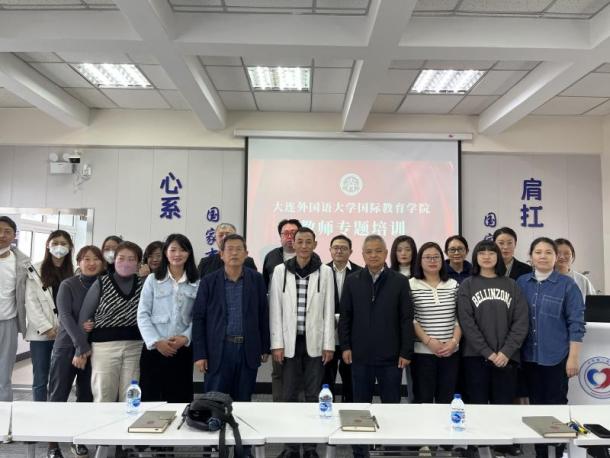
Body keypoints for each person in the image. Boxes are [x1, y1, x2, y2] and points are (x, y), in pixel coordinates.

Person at [339, 234, 414, 458]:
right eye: (369, 251)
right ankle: (360, 452)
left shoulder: (399, 281)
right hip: (359, 356)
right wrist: (345, 346)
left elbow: (406, 319)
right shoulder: (352, 280)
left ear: (385, 253)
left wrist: (406, 351)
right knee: (360, 408)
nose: (374, 255)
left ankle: (391, 450)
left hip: (391, 358)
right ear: (362, 255)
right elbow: (345, 317)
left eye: (378, 251)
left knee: (390, 407)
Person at [517, 237, 585, 458]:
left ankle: (556, 451)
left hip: (556, 357)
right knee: (536, 406)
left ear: (556, 257)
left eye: (548, 252)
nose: (543, 256)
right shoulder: (521, 282)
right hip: (528, 357)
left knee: (556, 405)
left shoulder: (567, 285)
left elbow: (576, 324)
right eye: (538, 252)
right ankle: (540, 453)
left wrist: (573, 358)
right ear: (530, 257)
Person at [269, 227, 334, 458]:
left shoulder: (325, 272)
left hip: (314, 341)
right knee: (288, 395)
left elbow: (329, 309)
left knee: (313, 395)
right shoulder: (280, 271)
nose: (304, 246)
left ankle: (310, 447)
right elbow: (275, 309)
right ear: (293, 244)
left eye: (308, 242)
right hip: (289, 342)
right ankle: (290, 447)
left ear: (315, 244)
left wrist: (328, 344)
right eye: (300, 241)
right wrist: (277, 343)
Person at [192, 233, 269, 402]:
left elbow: (263, 314)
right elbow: (198, 318)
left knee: (243, 400)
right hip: (218, 350)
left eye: (239, 249)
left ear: (246, 254)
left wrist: (264, 347)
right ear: (221, 254)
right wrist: (200, 353)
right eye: (230, 249)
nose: (234, 253)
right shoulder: (208, 281)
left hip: (247, 349)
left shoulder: (256, 279)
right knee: (214, 401)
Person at [457, 240, 529, 405]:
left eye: (491, 253)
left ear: (498, 257)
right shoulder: (467, 285)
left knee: (503, 408)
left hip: (507, 358)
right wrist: (487, 353)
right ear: (475, 257)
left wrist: (506, 352)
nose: (487, 256)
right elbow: (467, 323)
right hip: (475, 357)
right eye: (482, 253)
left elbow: (521, 321)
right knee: (477, 407)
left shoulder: (511, 285)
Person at [48, 245, 103, 458]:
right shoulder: (68, 284)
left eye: (96, 259)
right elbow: (65, 317)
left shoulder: (105, 284)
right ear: (78, 262)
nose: (91, 263)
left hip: (93, 349)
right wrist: (81, 347)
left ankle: (78, 440)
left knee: (86, 397)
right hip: (67, 347)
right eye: (86, 259)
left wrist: (94, 325)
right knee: (58, 395)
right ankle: (53, 445)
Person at [79, 241, 144, 402]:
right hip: (104, 347)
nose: (126, 263)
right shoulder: (101, 282)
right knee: (104, 394)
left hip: (135, 347)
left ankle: (129, 419)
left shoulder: (144, 284)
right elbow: (85, 316)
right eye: (121, 258)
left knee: (131, 396)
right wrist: (81, 348)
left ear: (138, 263)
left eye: (131, 259)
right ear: (114, 260)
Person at [137, 234, 199, 402]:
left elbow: (199, 317)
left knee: (180, 398)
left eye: (182, 250)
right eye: (173, 250)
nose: (177, 254)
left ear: (189, 253)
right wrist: (157, 342)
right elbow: (143, 314)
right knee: (151, 399)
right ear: (166, 252)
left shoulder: (197, 282)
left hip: (182, 349)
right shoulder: (153, 280)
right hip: (154, 349)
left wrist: (185, 338)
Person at [25, 230, 74, 403]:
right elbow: (31, 302)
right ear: (48, 245)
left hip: (66, 333)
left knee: (61, 377)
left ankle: (56, 409)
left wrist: (66, 328)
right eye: (55, 243)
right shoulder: (35, 270)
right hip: (41, 334)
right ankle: (40, 411)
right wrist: (46, 328)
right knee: (40, 378)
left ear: (70, 247)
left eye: (64, 243)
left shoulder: (74, 271)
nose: (59, 247)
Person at [410, 242, 460, 404]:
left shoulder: (453, 284)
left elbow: (459, 318)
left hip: (450, 352)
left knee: (446, 400)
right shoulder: (411, 284)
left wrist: (454, 342)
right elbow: (411, 318)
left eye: (436, 257)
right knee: (423, 400)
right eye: (427, 257)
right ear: (420, 261)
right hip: (422, 353)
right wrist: (428, 341)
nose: (432, 260)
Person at [262, 218, 302, 402]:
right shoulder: (271, 257)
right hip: (277, 321)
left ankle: (300, 408)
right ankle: (278, 405)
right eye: (286, 233)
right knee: (278, 370)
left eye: (294, 233)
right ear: (280, 237)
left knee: (301, 371)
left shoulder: (311, 259)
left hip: (301, 324)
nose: (290, 237)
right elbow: (265, 289)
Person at [322, 234, 361, 402]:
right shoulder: (321, 271)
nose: (339, 251)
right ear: (330, 250)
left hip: (351, 337)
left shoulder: (360, 272)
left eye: (343, 248)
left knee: (350, 379)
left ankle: (349, 407)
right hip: (326, 336)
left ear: (351, 251)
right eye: (336, 247)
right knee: (326, 378)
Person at [0, 216, 29, 402]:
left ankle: (3, 412)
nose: (2, 235)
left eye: (7, 231)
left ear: (14, 235)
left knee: (4, 373)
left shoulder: (22, 262)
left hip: (8, 323)